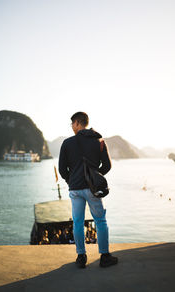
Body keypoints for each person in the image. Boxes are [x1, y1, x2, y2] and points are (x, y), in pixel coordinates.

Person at [59, 112, 118, 268]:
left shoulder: (67, 143)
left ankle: (81, 257)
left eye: (72, 123)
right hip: (93, 189)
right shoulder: (98, 141)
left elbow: (62, 169)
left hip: (75, 189)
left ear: (78, 123)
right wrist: (95, 178)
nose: (72, 127)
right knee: (100, 220)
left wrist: (70, 180)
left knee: (77, 222)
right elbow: (107, 166)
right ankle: (104, 256)